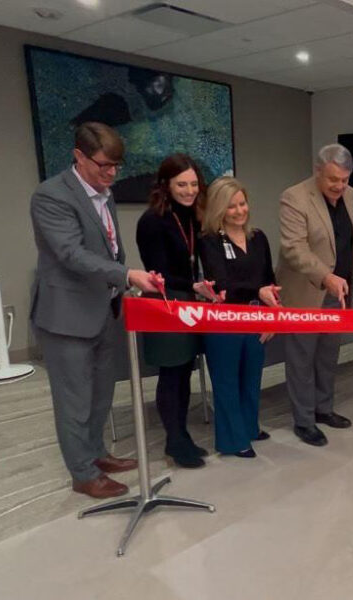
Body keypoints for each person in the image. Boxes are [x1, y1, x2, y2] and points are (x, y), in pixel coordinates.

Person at [30, 122, 160, 499]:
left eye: (116, 165)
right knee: (74, 399)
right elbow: (71, 254)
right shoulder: (51, 196)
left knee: (101, 394)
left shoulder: (105, 193)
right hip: (66, 316)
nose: (111, 173)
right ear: (79, 156)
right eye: (103, 165)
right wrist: (126, 272)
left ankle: (97, 454)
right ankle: (82, 473)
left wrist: (124, 277)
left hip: (105, 310)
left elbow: (108, 249)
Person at [277, 144, 353, 447]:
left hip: (338, 291)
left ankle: (324, 409)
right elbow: (294, 248)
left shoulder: (349, 197)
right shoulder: (294, 197)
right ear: (317, 171)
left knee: (327, 355)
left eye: (344, 180)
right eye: (332, 179)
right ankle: (304, 420)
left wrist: (341, 280)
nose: (339, 186)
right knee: (301, 359)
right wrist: (325, 276)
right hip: (305, 292)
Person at [136, 154, 212, 469]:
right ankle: (175, 439)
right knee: (171, 373)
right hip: (165, 305)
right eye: (182, 184)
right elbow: (158, 272)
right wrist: (194, 286)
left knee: (184, 372)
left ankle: (180, 436)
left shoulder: (194, 216)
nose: (189, 190)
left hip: (191, 303)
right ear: (166, 185)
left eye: (194, 184)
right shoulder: (152, 220)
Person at [198, 177, 280, 458]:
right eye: (231, 206)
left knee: (251, 377)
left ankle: (250, 426)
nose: (239, 211)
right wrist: (258, 290)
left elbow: (270, 278)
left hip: (256, 317)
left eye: (242, 204)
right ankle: (233, 440)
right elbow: (222, 284)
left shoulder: (258, 238)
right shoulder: (209, 240)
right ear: (219, 209)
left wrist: (272, 316)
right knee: (227, 382)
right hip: (225, 320)